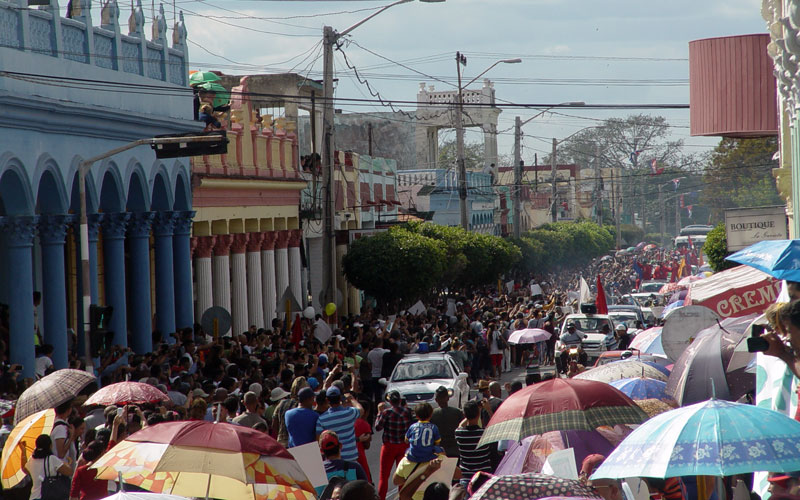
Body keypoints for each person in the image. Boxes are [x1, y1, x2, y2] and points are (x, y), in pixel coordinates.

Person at [374, 390, 416, 500]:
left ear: (390, 401)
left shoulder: (386, 413)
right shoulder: (407, 411)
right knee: (402, 475)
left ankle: (381, 498)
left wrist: (379, 412)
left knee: (384, 476)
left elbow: (378, 427)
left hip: (389, 446)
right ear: (400, 400)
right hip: (403, 446)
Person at [316, 386, 364, 463]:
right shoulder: (350, 412)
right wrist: (352, 399)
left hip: (332, 461)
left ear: (327, 400)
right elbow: (361, 410)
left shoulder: (322, 419)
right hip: (351, 458)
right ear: (340, 398)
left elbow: (319, 441)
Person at [21, 434, 73, 500]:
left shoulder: (32, 460)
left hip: (34, 496)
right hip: (49, 495)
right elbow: (69, 472)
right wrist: (68, 464)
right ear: (50, 446)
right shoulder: (52, 459)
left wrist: (23, 451)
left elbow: (24, 469)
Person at [454, 401, 493, 482]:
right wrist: (488, 409)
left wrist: (472, 412)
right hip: (484, 477)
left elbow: (460, 425)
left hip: (466, 478)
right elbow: (495, 426)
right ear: (478, 415)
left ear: (464, 415)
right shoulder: (484, 434)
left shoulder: (459, 433)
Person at [430, 386, 463, 458]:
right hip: (456, 450)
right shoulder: (457, 412)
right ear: (448, 398)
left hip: (439, 452)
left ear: (436, 400)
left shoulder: (431, 414)